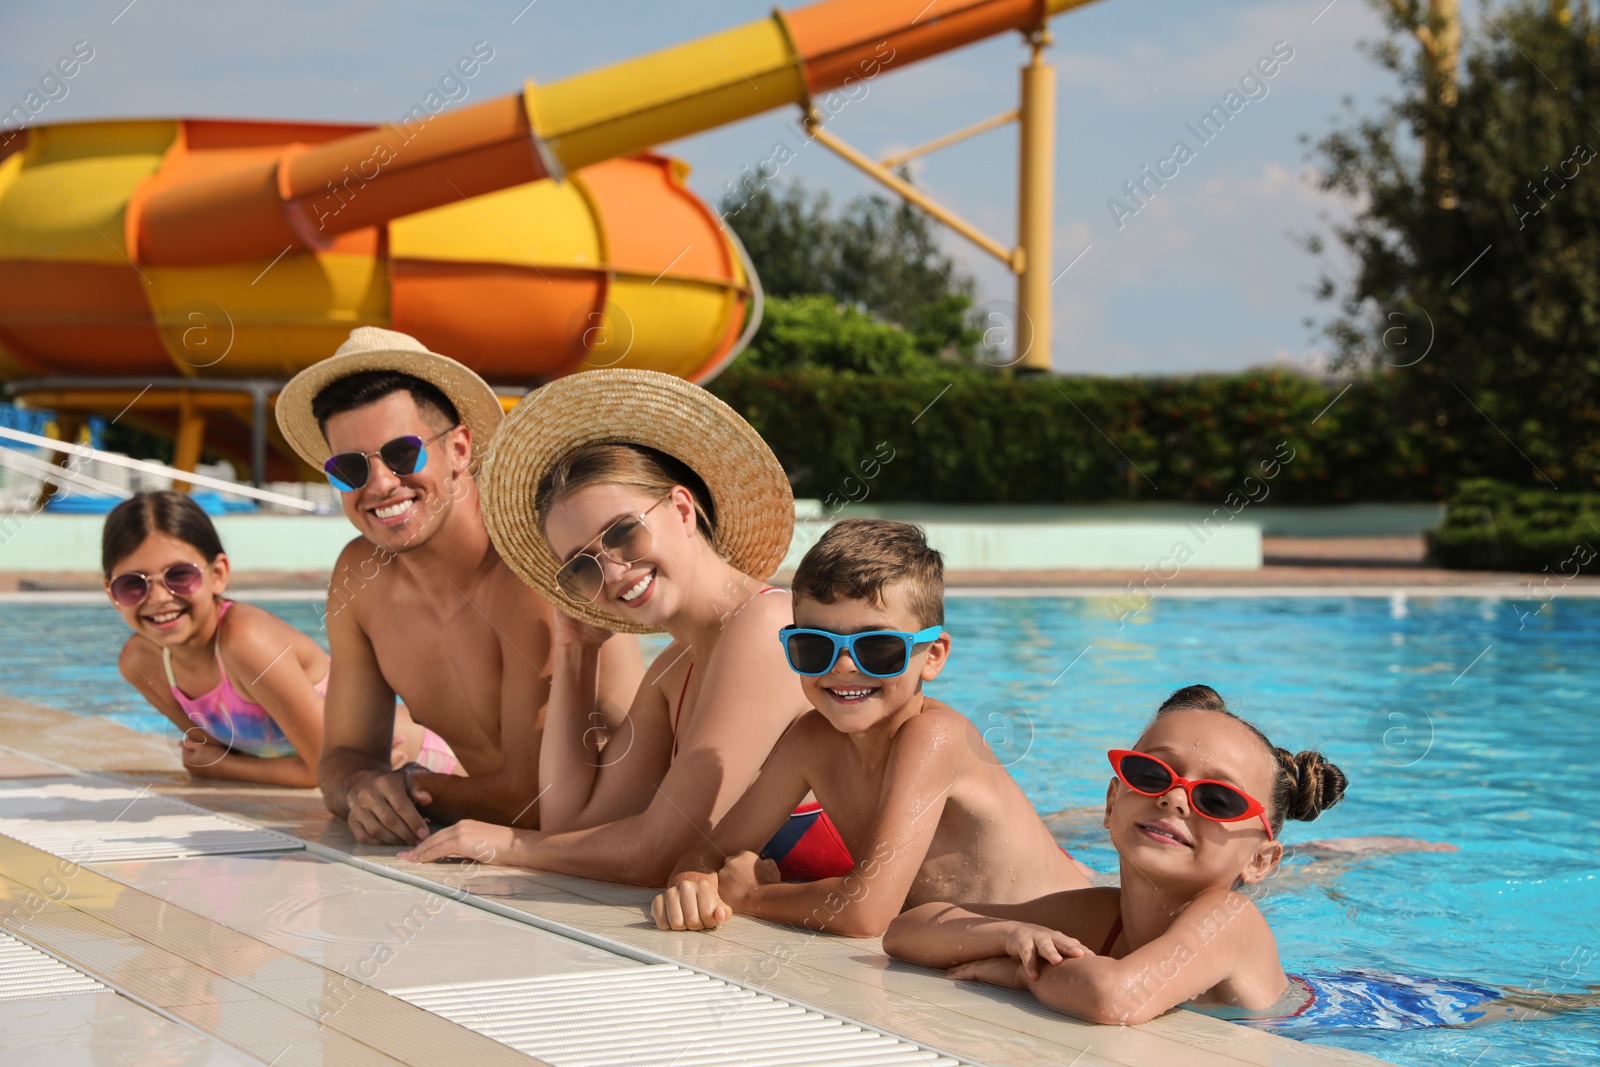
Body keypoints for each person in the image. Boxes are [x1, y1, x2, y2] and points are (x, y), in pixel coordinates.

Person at [882, 684, 1600, 1029]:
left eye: (1218, 801)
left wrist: (1015, 969)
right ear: (1110, 801)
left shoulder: (1225, 916)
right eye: (1151, 775)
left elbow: (1115, 998)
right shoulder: (1100, 915)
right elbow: (910, 928)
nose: (1174, 801)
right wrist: (1007, 931)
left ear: (1259, 862)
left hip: (1391, 1006)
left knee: (1557, 1011)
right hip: (1318, 982)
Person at [400, 369, 847, 885]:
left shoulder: (767, 628)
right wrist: (575, 650)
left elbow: (659, 853)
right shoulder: (673, 671)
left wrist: (509, 845)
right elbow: (572, 827)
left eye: (623, 533)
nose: (612, 572)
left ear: (682, 508)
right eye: (582, 567)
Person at [274, 327, 642, 843]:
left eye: (402, 454)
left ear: (460, 449)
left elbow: (536, 798)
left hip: (642, 839)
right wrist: (362, 789)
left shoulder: (530, 563)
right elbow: (342, 758)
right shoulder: (359, 580)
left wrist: (405, 789)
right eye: (350, 468)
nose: (379, 485)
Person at [649, 519, 1090, 937]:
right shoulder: (811, 739)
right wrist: (693, 886)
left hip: (1080, 926)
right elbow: (708, 852)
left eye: (877, 648)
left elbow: (865, 913)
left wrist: (749, 896)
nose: (843, 667)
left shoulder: (933, 738)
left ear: (933, 655)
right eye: (815, 646)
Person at [103, 490, 452, 786]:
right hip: (381, 784)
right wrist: (219, 763)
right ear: (111, 593)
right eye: (133, 584)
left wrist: (226, 769)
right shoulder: (142, 664)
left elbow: (326, 770)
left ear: (219, 574)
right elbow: (210, 751)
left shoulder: (245, 641)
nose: (160, 597)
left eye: (179, 576)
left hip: (430, 763)